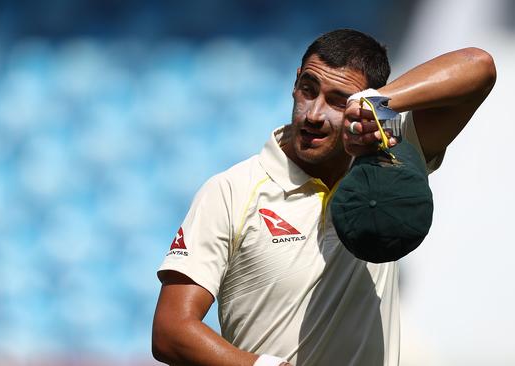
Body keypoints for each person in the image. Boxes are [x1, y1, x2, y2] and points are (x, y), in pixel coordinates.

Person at [151, 29, 496, 366]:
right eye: (308, 89)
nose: (313, 114)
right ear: (295, 81)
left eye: (337, 100)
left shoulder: (388, 160)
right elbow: (171, 331)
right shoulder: (231, 189)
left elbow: (477, 66)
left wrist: (379, 103)